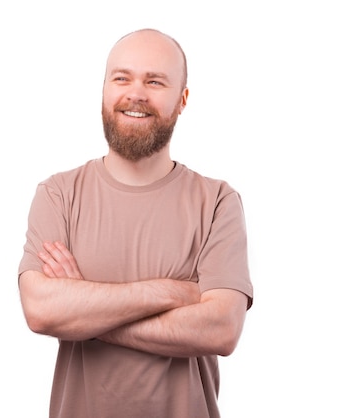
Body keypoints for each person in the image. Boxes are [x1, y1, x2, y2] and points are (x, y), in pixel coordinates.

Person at [18, 28, 253, 418]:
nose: (136, 93)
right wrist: (171, 292)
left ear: (182, 100)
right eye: (121, 78)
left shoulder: (217, 202)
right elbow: (41, 310)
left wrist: (85, 314)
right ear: (104, 91)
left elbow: (221, 329)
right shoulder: (58, 194)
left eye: (155, 81)